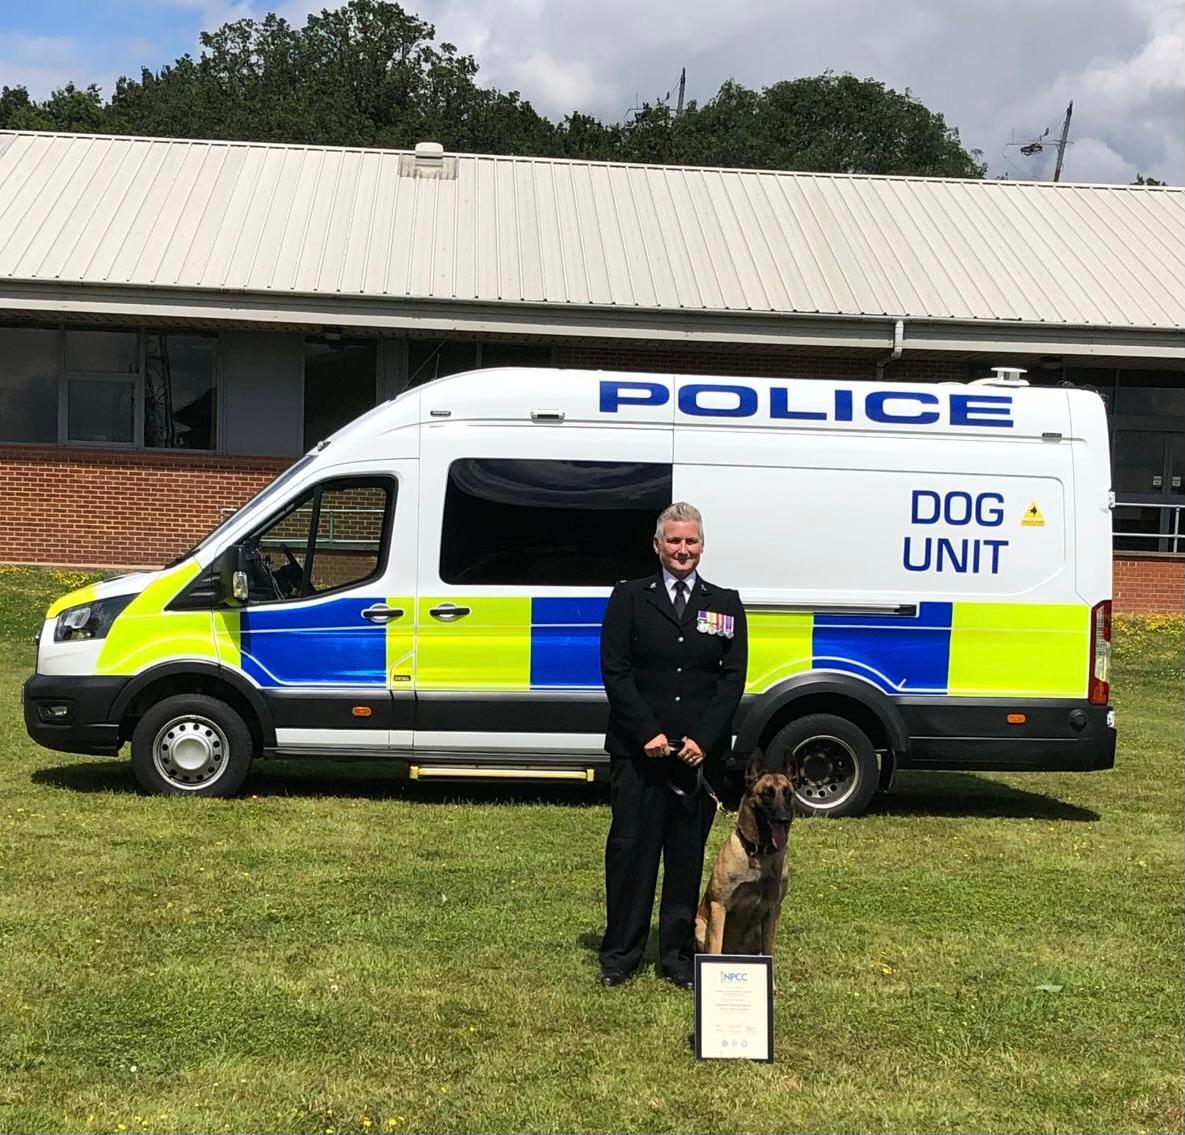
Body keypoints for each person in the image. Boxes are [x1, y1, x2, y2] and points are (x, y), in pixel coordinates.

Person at [598, 501, 748, 990]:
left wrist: (703, 740)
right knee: (631, 854)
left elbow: (731, 680)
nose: (683, 550)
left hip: (696, 760)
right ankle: (621, 954)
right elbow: (615, 671)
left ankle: (678, 958)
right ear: (657, 545)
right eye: (674, 541)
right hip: (640, 754)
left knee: (685, 860)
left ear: (702, 546)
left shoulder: (724, 602)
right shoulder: (629, 598)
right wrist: (647, 733)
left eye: (692, 541)